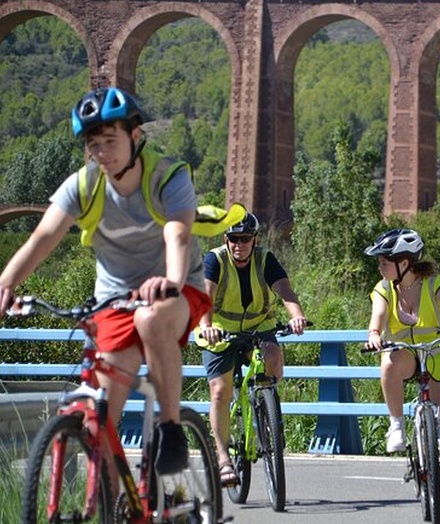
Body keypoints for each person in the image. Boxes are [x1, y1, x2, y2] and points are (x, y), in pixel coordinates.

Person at [0, 87, 212, 480]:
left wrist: (170, 280)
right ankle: (112, 505)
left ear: (135, 136)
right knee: (102, 422)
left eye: (110, 141)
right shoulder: (83, 185)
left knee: (150, 319)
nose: (102, 152)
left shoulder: (169, 174)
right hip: (113, 299)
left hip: (177, 287)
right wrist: (7, 282)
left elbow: (178, 234)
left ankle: (170, 429)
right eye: (93, 144)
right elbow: (43, 237)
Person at [363, 228, 440, 506]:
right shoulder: (383, 289)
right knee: (388, 362)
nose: (380, 266)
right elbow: (377, 315)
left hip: (438, 353)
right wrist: (374, 334)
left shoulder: (435, 284)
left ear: (405, 263)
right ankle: (397, 425)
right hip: (406, 356)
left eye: (384, 261)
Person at [195, 212, 308, 487]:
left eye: (245, 239)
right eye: (233, 239)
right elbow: (204, 298)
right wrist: (207, 325)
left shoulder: (265, 259)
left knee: (272, 359)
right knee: (220, 392)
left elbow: (285, 292)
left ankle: (266, 405)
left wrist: (297, 315)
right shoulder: (215, 260)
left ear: (254, 240)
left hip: (258, 328)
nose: (239, 244)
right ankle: (223, 458)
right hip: (219, 333)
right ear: (226, 239)